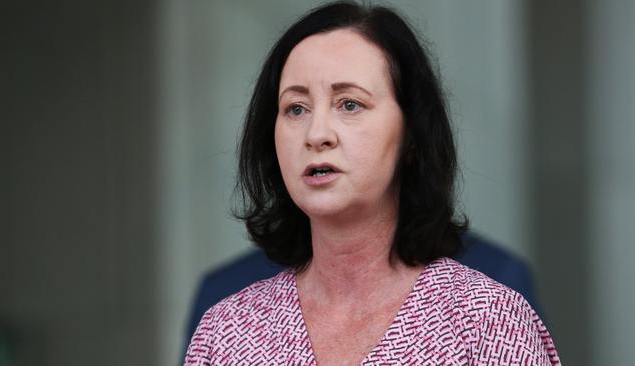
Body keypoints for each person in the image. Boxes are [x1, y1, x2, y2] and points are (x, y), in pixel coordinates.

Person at [184, 2, 560, 365]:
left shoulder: (487, 321)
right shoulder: (226, 330)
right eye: (296, 108)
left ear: (411, 136)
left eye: (349, 104)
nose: (317, 135)